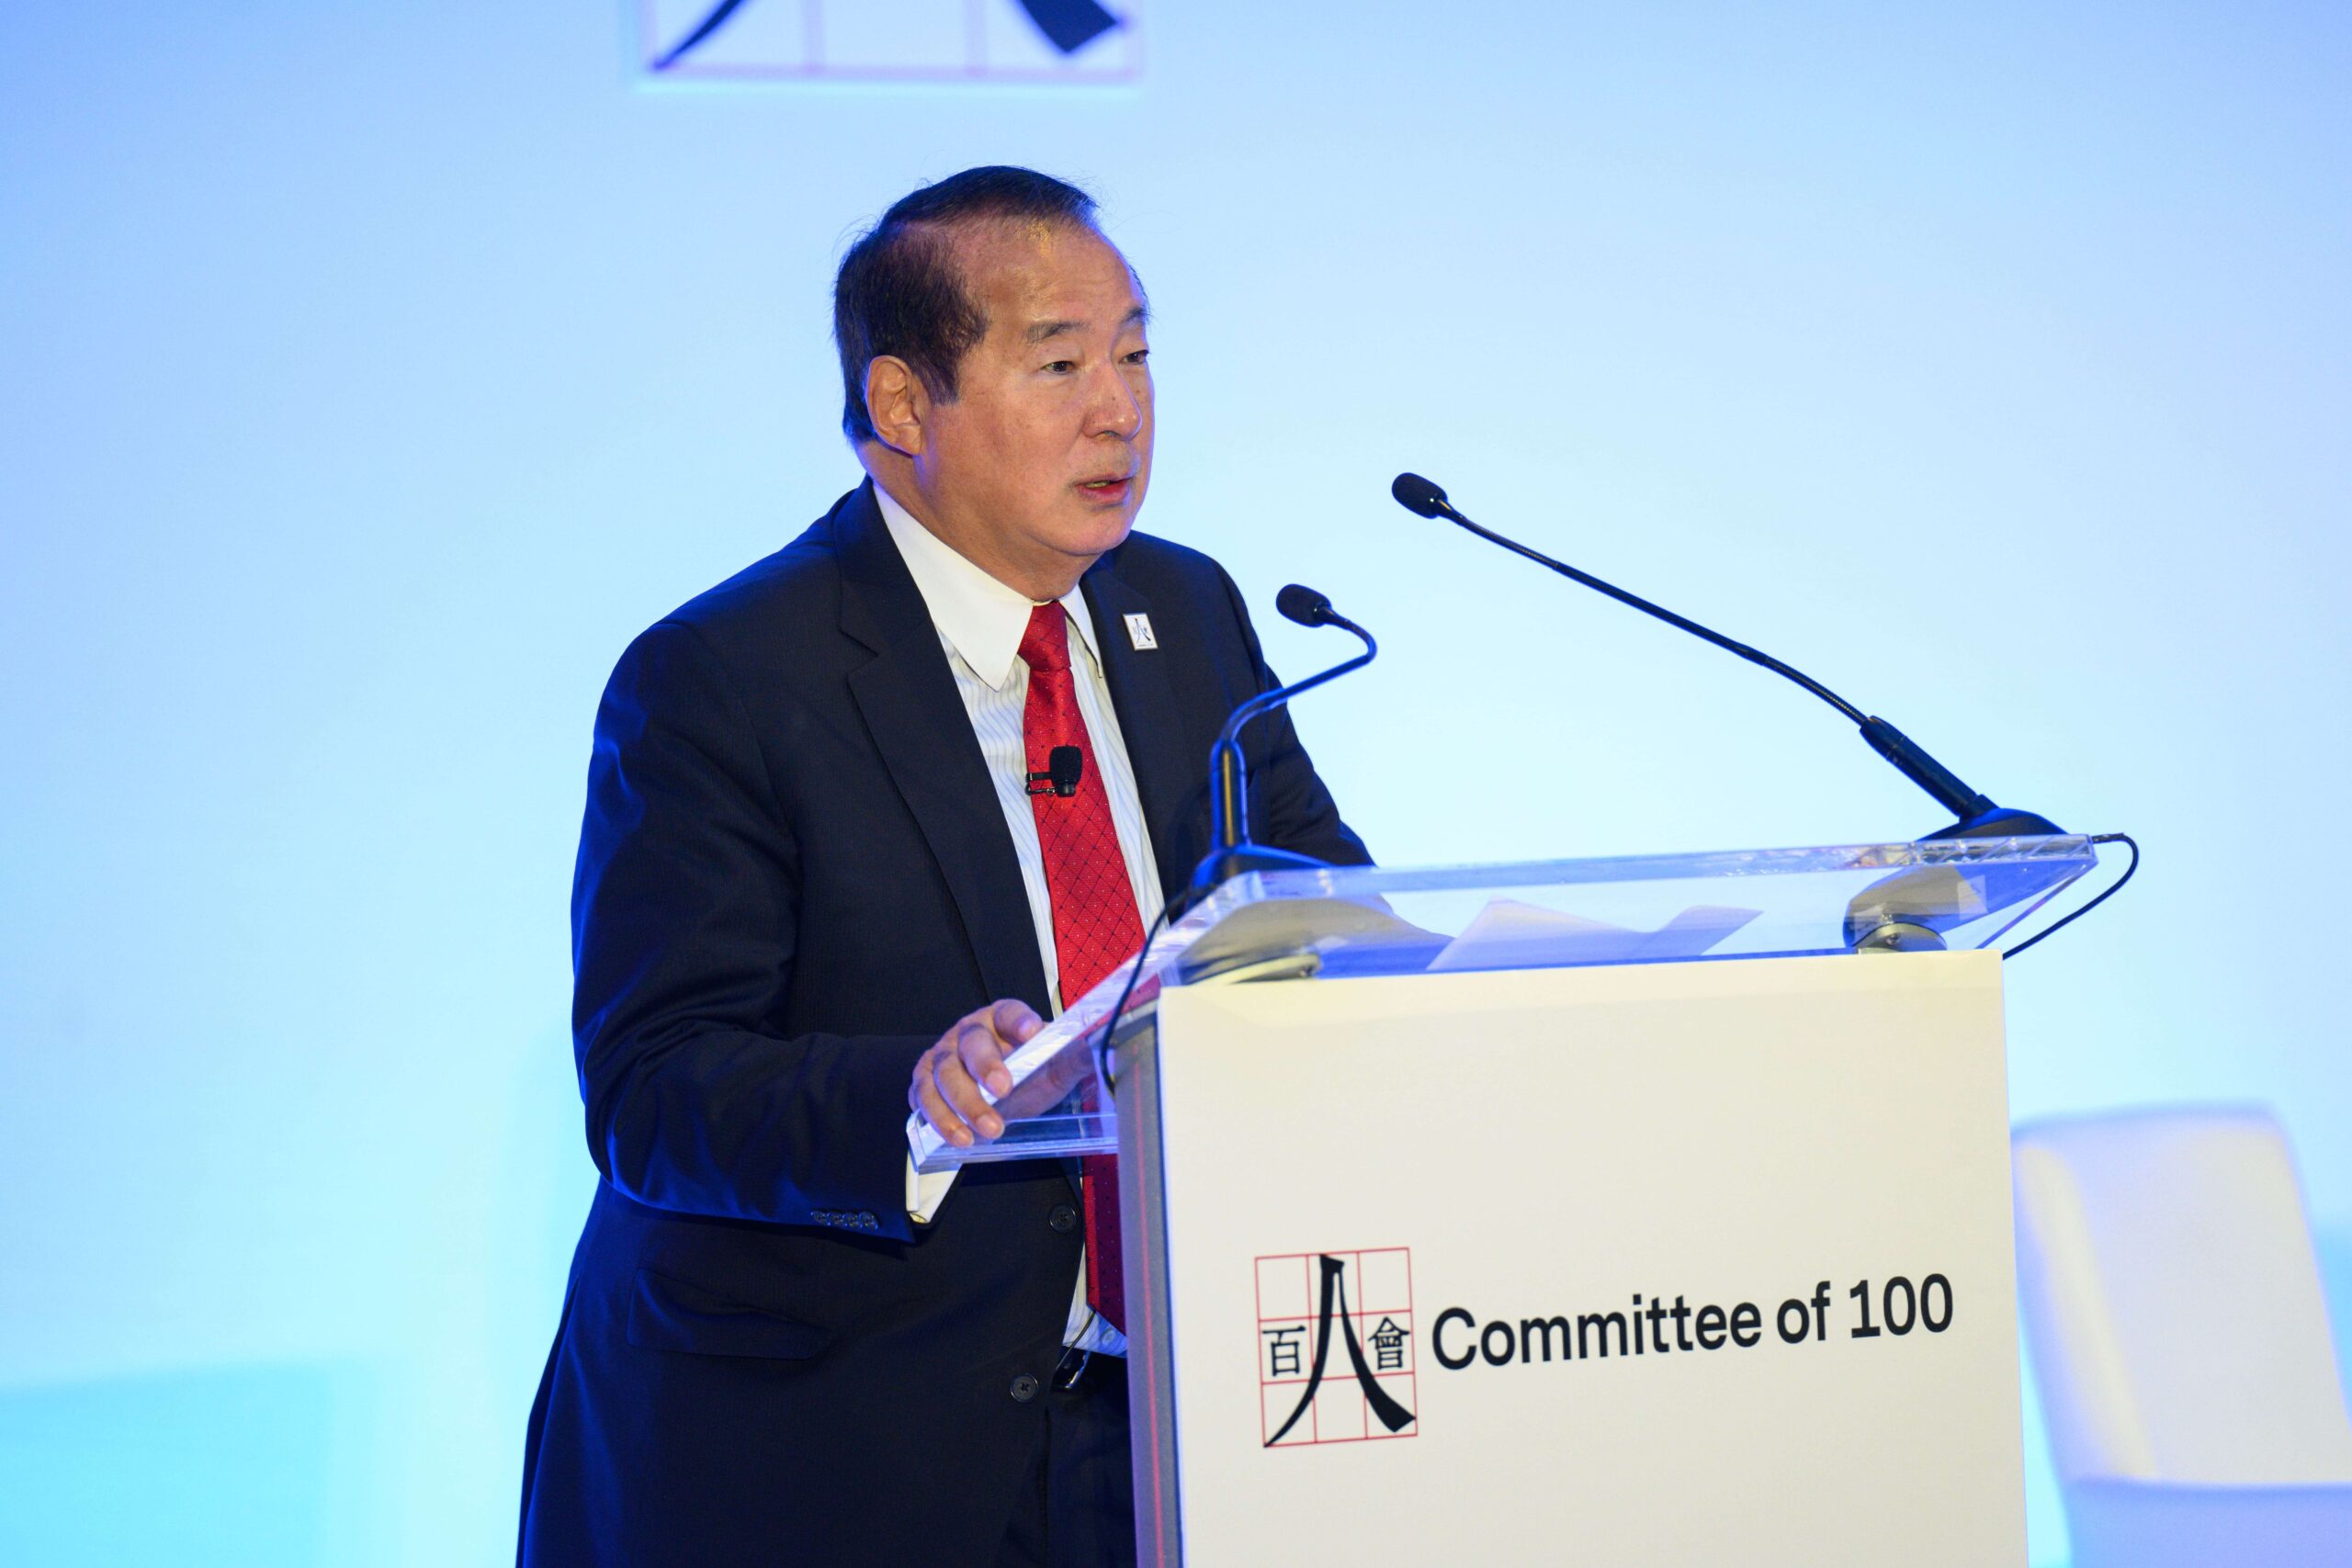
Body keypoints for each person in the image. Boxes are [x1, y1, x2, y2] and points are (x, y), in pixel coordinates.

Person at [516, 165, 1367, 1568]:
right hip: (838, 1446)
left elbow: (1311, 901)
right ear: (905, 406)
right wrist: (911, 1094)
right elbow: (655, 1083)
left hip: (1163, 1425)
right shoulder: (726, 676)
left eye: (1136, 354)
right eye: (1060, 364)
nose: (1121, 409)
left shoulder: (1187, 608)